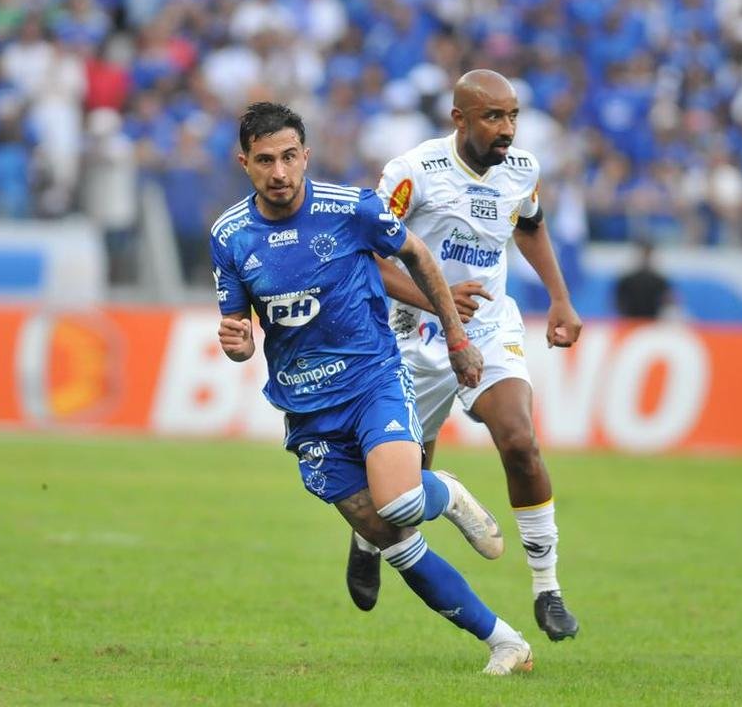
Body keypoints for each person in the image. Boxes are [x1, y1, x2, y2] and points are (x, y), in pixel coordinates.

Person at [211, 101, 533, 675]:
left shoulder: (351, 208)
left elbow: (416, 255)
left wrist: (456, 336)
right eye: (265, 161)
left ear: (306, 156)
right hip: (306, 411)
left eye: (289, 157)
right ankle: (506, 642)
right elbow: (241, 329)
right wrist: (237, 343)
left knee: (403, 500)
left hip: (371, 381)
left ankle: (444, 491)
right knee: (397, 542)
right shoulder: (230, 236)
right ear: (244, 163)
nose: (280, 172)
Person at [357, 70, 584, 642]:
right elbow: (371, 256)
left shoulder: (522, 169)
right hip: (415, 334)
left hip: (487, 325)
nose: (506, 129)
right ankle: (366, 537)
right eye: (492, 117)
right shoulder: (411, 173)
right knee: (405, 485)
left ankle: (547, 586)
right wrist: (439, 301)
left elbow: (529, 224)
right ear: (459, 119)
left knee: (520, 440)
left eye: (512, 116)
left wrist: (559, 298)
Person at [614, 238, 673, 319]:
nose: (645, 258)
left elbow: (668, 301)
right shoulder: (627, 280)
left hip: (652, 322)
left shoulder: (660, 281)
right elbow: (618, 303)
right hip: (631, 321)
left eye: (647, 254)